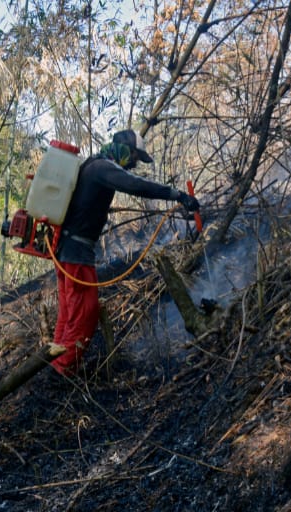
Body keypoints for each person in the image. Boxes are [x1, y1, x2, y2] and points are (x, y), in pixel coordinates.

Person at [50, 129, 200, 376]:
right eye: (134, 157)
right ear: (123, 149)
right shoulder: (103, 167)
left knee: (69, 313)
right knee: (85, 314)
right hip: (76, 253)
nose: (133, 164)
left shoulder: (93, 165)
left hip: (67, 250)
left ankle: (57, 364)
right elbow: (136, 186)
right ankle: (64, 371)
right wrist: (178, 196)